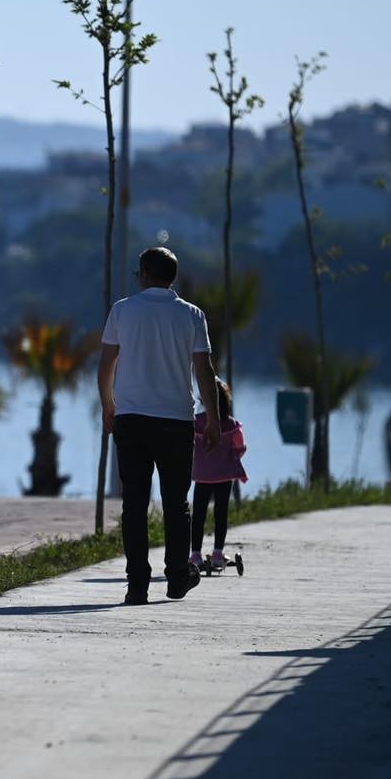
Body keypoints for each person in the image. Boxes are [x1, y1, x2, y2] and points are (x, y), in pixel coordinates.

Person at [98, 246, 221, 605]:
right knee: (176, 503)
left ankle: (137, 584)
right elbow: (204, 371)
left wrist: (109, 405)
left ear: (146, 274)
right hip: (175, 422)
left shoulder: (122, 310)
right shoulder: (192, 315)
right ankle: (177, 576)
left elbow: (106, 365)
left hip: (131, 419)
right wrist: (213, 419)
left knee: (134, 503)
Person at [191, 378, 248, 570]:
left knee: (198, 515)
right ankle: (217, 553)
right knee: (221, 514)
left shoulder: (197, 423)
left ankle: (196, 555)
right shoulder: (232, 425)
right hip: (224, 476)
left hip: (203, 476)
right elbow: (240, 447)